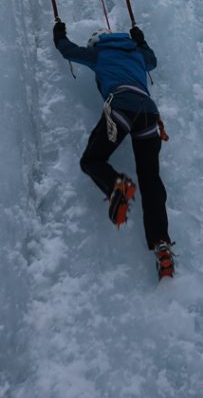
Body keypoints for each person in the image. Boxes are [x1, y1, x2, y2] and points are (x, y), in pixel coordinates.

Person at [52, 20, 175, 280]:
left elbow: (68, 50)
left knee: (92, 160)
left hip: (120, 106)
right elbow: (152, 59)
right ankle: (162, 245)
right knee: (150, 180)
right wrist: (140, 39)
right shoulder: (138, 54)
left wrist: (59, 32)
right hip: (149, 114)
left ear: (95, 43)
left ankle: (115, 186)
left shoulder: (99, 52)